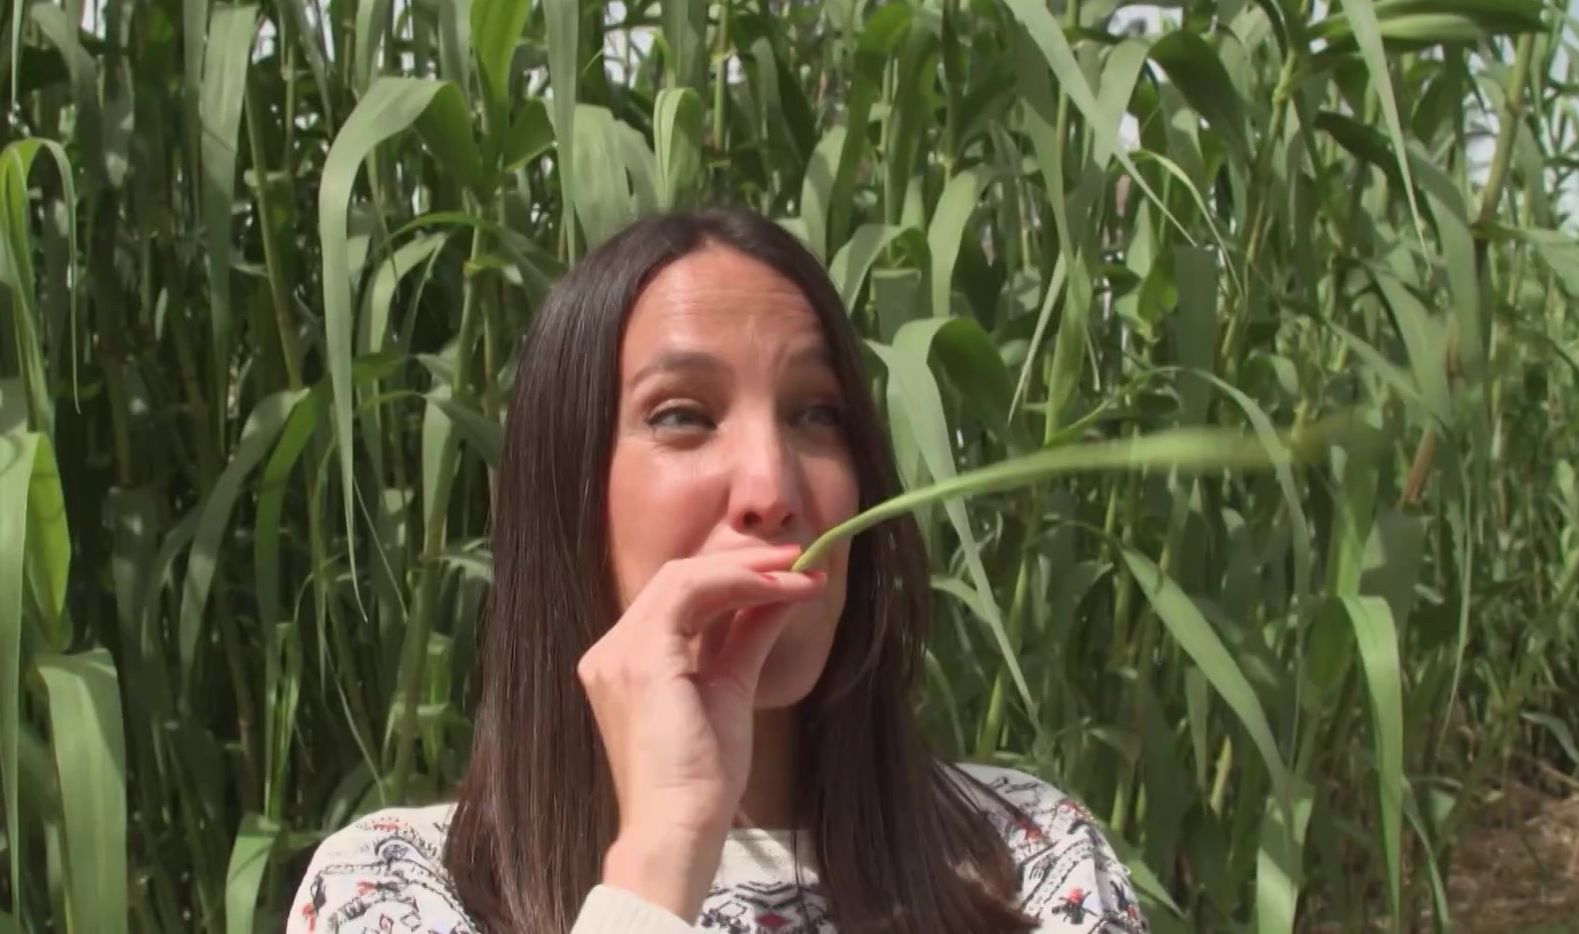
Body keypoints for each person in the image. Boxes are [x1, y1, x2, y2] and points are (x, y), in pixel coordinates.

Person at [288, 208, 1147, 933]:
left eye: (817, 414)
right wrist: (659, 852)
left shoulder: (1027, 861)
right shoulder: (393, 889)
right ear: (567, 494)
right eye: (682, 416)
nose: (772, 490)